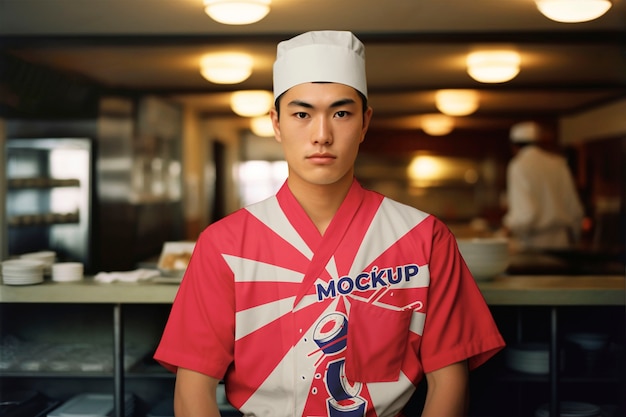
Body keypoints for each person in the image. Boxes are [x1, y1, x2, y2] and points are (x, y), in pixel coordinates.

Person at [154, 30, 505, 417]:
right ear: (276, 123)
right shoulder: (223, 244)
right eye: (302, 114)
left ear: (365, 123)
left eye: (341, 113)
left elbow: (449, 380)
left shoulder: (424, 238)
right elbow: (193, 390)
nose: (322, 135)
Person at [502, 121, 584, 251]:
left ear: (514, 146)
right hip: (563, 241)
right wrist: (576, 238)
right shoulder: (558, 164)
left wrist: (507, 227)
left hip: (534, 243)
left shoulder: (518, 165)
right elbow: (575, 210)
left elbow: (526, 215)